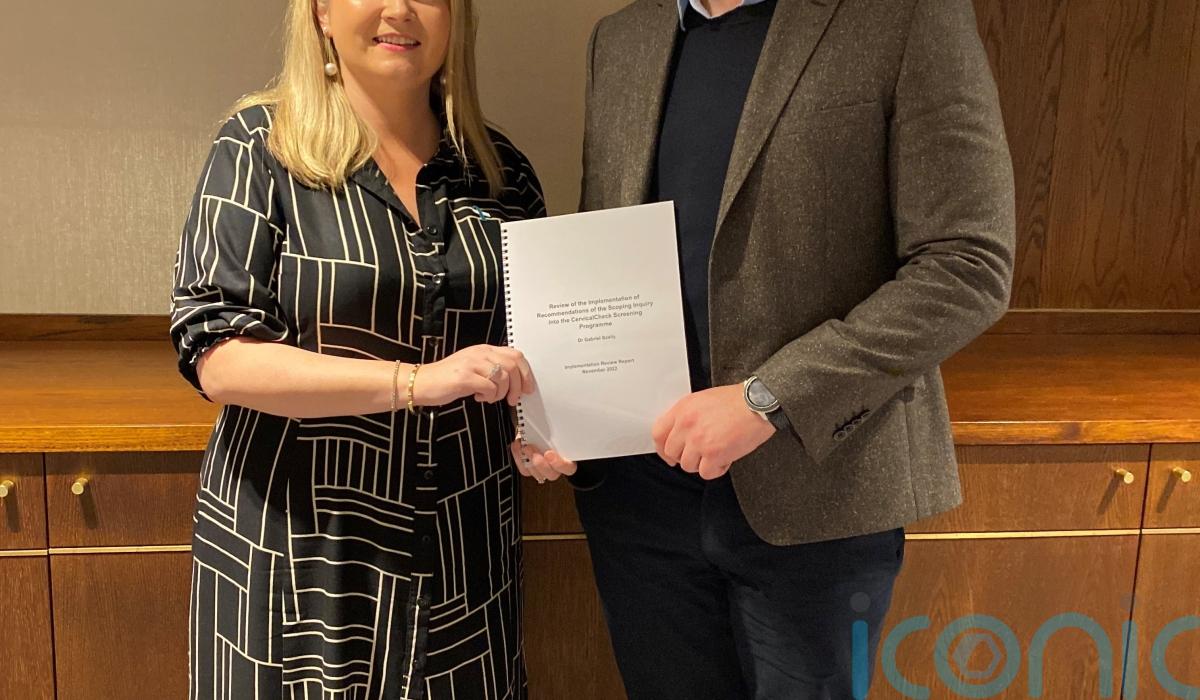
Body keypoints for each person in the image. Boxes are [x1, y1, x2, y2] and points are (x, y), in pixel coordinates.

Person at [520, 0, 1016, 697]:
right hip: (641, 499)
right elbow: (608, 252)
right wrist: (564, 413)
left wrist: (767, 400)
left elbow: (968, 265)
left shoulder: (905, 17)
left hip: (816, 491)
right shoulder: (622, 40)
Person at [168, 0, 546, 697]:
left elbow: (533, 346)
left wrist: (543, 430)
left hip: (463, 547)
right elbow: (218, 353)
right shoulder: (259, 146)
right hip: (300, 545)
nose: (399, 9)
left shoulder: (501, 172)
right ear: (319, 11)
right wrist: (414, 382)